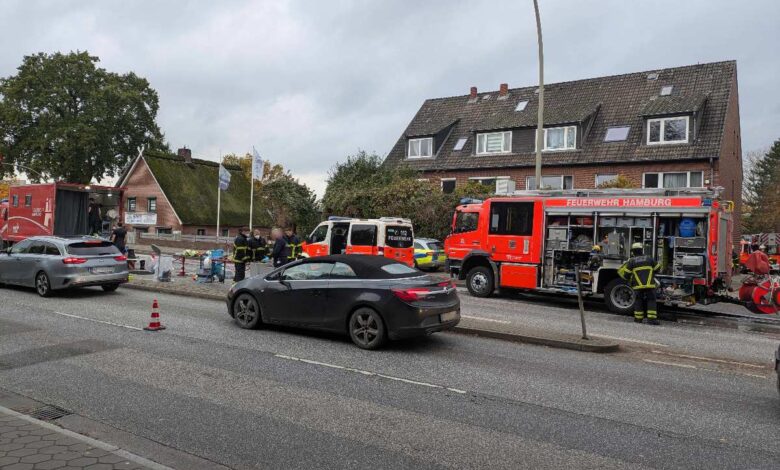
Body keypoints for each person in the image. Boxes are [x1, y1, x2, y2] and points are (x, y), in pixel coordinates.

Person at [618, 242, 662, 325]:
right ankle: (651, 320)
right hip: (650, 285)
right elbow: (658, 268)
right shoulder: (649, 258)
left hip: (637, 286)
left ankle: (638, 319)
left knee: (638, 301)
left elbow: (626, 275)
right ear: (642, 250)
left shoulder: (631, 261)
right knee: (651, 300)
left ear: (633, 252)